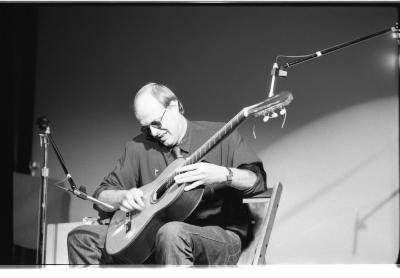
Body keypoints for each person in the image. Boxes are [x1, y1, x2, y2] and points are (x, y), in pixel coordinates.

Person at [67, 82, 267, 265]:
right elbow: (102, 193)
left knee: (171, 232)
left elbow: (256, 181)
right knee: (81, 237)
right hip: (155, 236)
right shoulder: (138, 147)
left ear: (174, 106)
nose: (153, 133)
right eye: (146, 127)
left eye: (156, 123)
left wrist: (223, 174)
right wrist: (121, 198)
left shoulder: (222, 135)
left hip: (219, 237)